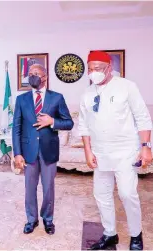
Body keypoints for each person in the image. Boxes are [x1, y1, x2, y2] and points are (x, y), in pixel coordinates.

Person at [79, 51, 152, 250]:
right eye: (90, 69)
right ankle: (110, 234)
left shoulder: (127, 87)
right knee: (101, 195)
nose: (93, 73)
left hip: (125, 151)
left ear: (109, 68)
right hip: (100, 153)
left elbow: (143, 118)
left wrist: (145, 147)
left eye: (98, 69)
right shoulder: (87, 93)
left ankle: (136, 235)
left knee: (127, 194)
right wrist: (88, 150)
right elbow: (84, 125)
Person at [12, 64, 74, 236]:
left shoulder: (57, 98)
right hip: (28, 151)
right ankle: (31, 220)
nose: (32, 76)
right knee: (29, 188)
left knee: (48, 188)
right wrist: (17, 153)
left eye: (36, 74)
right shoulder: (21, 99)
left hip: (49, 151)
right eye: (30, 74)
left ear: (45, 77)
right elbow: (16, 128)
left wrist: (52, 122)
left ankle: (48, 219)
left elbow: (69, 123)